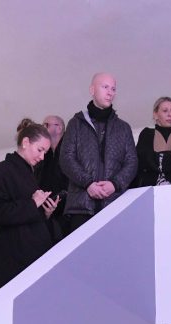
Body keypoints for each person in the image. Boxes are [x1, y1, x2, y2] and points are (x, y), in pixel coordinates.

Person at [0, 120, 59, 293]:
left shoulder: (30, 174)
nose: (42, 157)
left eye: (45, 152)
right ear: (25, 142)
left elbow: (27, 214)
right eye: (40, 150)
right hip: (13, 258)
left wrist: (45, 213)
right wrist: (33, 203)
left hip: (34, 257)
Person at [59, 73, 137, 234]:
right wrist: (88, 184)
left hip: (114, 206)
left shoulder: (124, 128)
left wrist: (114, 184)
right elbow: (66, 158)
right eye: (105, 87)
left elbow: (132, 162)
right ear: (92, 90)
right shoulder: (76, 124)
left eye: (113, 89)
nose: (110, 92)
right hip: (81, 208)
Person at [134, 97, 171, 187]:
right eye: (165, 111)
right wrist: (170, 159)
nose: (170, 114)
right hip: (148, 191)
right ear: (155, 115)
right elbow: (142, 159)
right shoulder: (147, 134)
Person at [37, 115, 69, 239]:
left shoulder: (71, 148)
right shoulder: (44, 156)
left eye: (46, 125)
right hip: (49, 213)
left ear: (59, 128)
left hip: (68, 212)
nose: (42, 128)